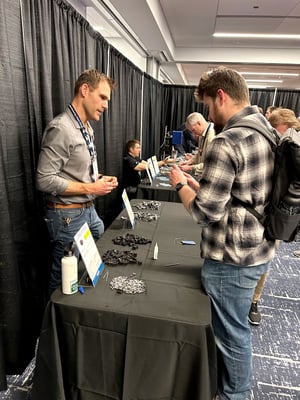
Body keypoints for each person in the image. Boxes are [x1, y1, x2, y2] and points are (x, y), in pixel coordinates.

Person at [169, 66, 277, 400]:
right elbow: (242, 194)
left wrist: (179, 187)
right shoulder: (266, 130)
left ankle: (235, 394)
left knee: (232, 335)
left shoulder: (227, 140)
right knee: (237, 329)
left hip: (231, 260)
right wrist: (199, 185)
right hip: (258, 250)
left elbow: (204, 213)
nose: (209, 115)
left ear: (221, 96)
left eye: (209, 107)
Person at [36, 69, 118, 294]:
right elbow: (44, 180)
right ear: (84, 90)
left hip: (88, 211)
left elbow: (75, 172)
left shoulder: (86, 128)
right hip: (66, 217)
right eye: (102, 97)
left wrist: (100, 180)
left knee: (96, 266)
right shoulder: (62, 128)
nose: (106, 105)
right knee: (63, 281)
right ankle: (54, 327)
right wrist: (91, 187)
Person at [249, 107, 300, 325]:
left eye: (274, 127)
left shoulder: (291, 145)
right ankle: (251, 299)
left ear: (285, 126)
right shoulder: (280, 142)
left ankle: (254, 300)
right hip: (272, 213)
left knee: (265, 259)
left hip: (277, 214)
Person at [178, 112, 215, 177]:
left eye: (193, 130)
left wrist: (191, 168)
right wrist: (189, 162)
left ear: (199, 123)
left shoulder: (212, 136)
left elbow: (211, 165)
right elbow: (200, 154)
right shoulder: (202, 134)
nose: (193, 134)